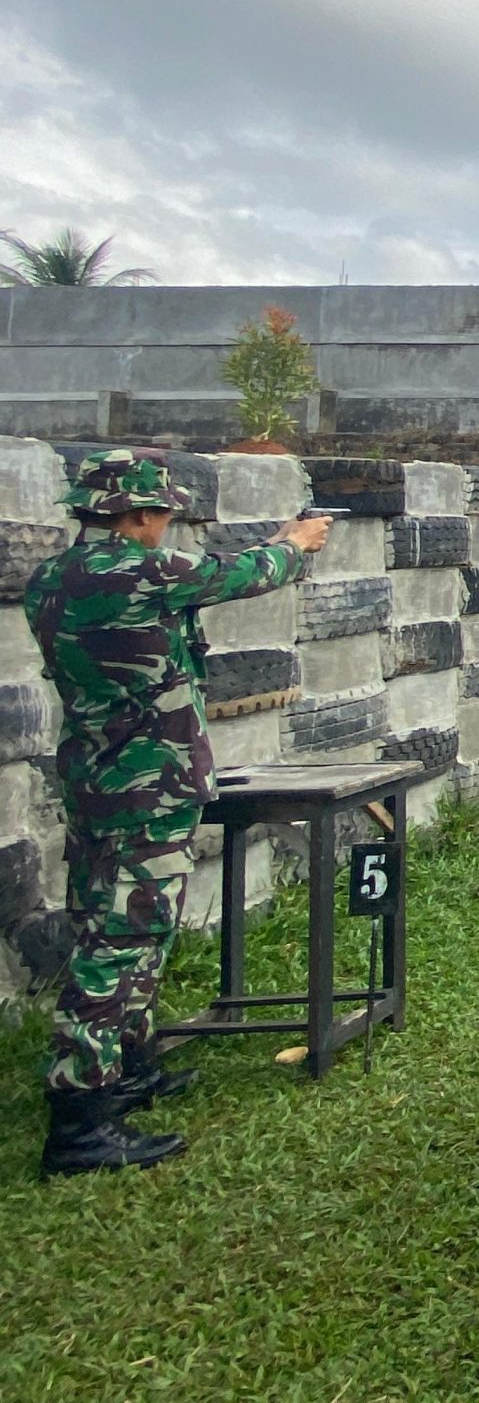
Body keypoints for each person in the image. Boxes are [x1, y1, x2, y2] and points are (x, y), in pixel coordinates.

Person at [23, 448, 331, 1178]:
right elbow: (243, 574)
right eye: (160, 515)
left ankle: (129, 1069)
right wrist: (296, 544)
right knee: (124, 941)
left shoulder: (52, 577)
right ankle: (82, 1122)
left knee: (115, 923)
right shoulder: (137, 569)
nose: (165, 527)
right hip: (146, 780)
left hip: (97, 772)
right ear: (137, 515)